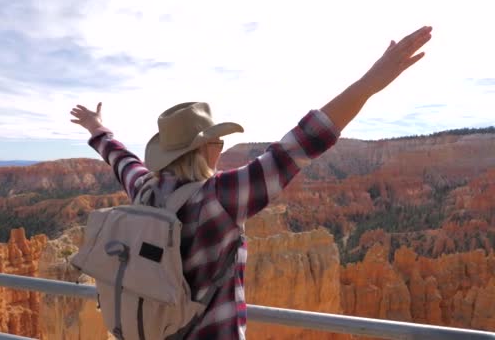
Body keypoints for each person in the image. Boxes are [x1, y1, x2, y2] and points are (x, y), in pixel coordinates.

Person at [69, 26, 432, 339]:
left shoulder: (145, 189)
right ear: (206, 149)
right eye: (218, 143)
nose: (221, 149)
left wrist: (96, 129)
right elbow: (301, 144)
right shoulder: (221, 197)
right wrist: (371, 83)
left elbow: (122, 161)